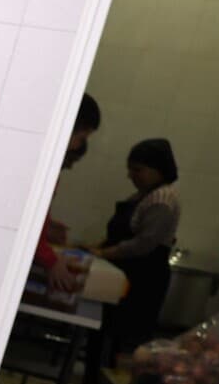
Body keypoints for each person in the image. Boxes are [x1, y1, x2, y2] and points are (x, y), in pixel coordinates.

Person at [93, 138, 181, 354]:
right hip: (128, 273)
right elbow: (120, 234)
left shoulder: (162, 199)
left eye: (137, 170)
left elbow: (144, 244)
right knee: (108, 332)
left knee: (126, 340)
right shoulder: (145, 195)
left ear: (158, 170)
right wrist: (95, 247)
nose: (130, 175)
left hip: (144, 278)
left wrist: (103, 253)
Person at [37, 93, 101, 292]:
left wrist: (46, 226)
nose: (78, 146)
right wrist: (50, 260)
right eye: (81, 138)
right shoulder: (44, 166)